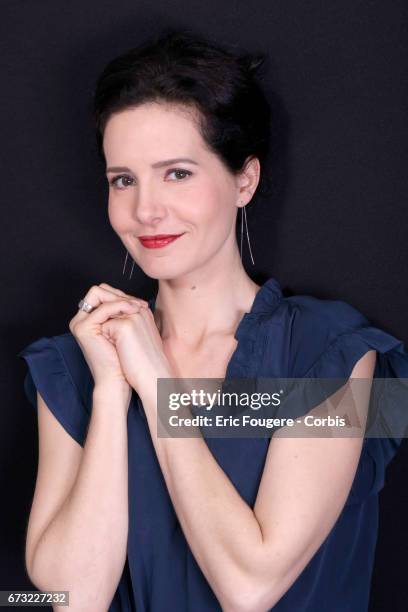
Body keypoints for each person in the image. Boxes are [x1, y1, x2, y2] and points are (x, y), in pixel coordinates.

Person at [17, 28, 408, 612]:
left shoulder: (340, 350)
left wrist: (155, 388)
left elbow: (250, 588)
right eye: (123, 179)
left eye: (177, 173)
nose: (145, 209)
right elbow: (72, 600)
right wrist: (108, 393)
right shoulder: (70, 363)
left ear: (243, 180)